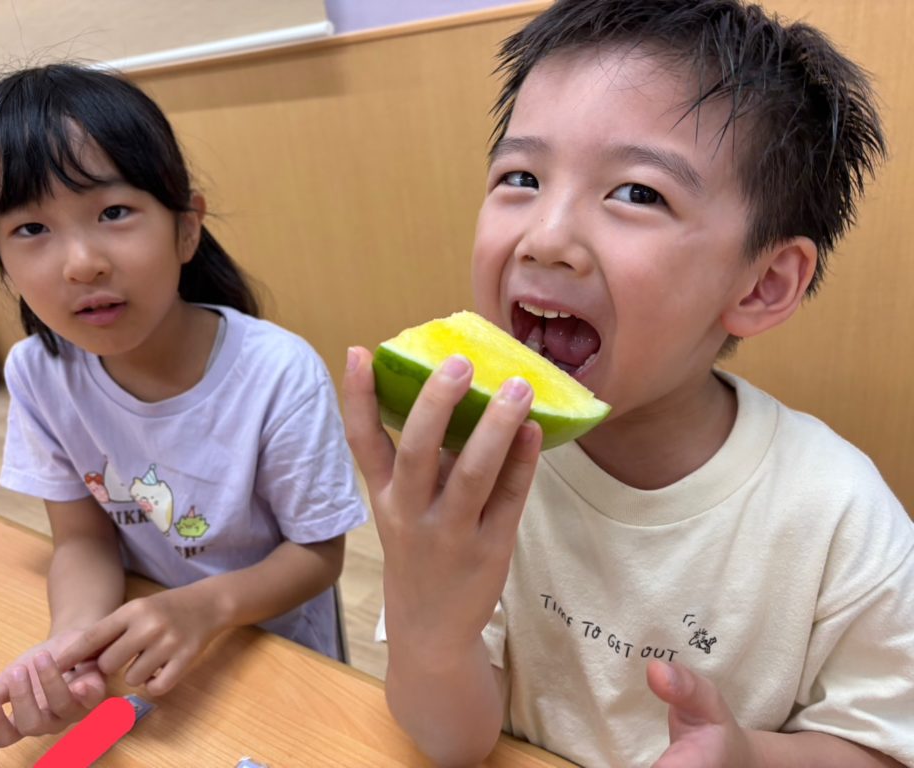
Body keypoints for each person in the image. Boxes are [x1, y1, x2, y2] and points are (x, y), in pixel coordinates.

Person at [342, 1, 914, 766]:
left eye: (638, 193)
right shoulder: (475, 471)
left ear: (763, 284)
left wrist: (749, 757)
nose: (546, 238)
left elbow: (882, 746)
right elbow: (452, 741)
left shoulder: (838, 515)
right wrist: (429, 621)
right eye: (521, 177)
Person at [0, 63, 368, 748]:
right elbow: (83, 540)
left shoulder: (278, 373)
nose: (81, 263)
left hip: (277, 647)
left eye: (113, 213)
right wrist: (70, 646)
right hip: (152, 657)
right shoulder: (39, 372)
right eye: (31, 228)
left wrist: (207, 607)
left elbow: (318, 555)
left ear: (185, 228)